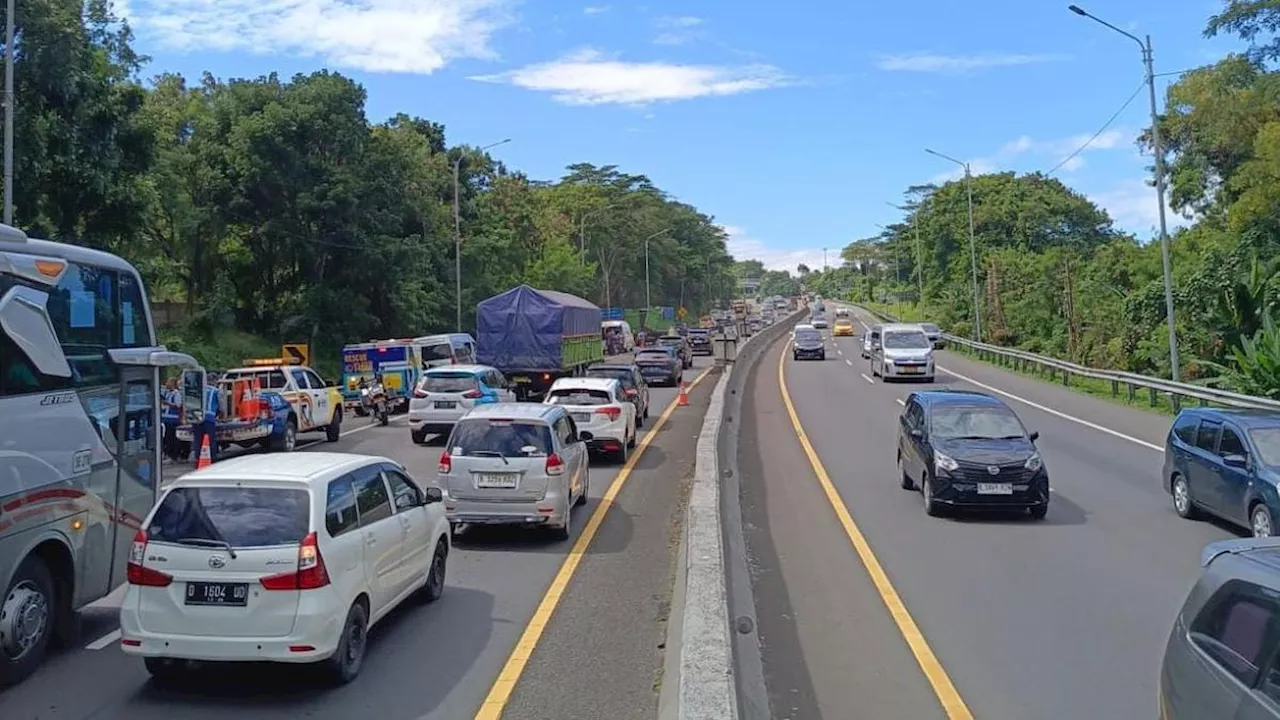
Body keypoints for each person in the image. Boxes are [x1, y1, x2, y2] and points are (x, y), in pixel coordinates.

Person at [190, 373, 220, 465]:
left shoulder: (198, 390)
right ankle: (212, 459)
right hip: (209, 418)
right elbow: (221, 405)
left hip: (197, 417)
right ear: (214, 381)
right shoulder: (216, 391)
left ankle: (197, 459)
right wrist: (219, 415)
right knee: (210, 440)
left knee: (198, 439)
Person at [161, 377, 182, 462]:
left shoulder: (176, 394)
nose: (166, 384)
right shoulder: (166, 393)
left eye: (168, 382)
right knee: (167, 438)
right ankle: (168, 454)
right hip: (166, 419)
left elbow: (178, 405)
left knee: (172, 438)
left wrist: (167, 403)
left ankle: (173, 456)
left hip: (173, 420)